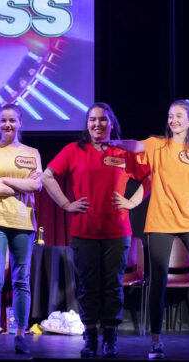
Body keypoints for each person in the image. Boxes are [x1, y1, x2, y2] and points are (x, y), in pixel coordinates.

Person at [106, 99, 189, 360]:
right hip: (160, 222)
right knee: (158, 282)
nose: (173, 120)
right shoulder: (159, 146)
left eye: (179, 116)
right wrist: (117, 143)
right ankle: (156, 342)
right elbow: (137, 145)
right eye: (170, 115)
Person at [41, 102, 149, 358]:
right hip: (84, 230)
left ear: (112, 124)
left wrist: (133, 201)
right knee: (88, 286)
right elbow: (46, 176)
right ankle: (90, 339)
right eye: (92, 120)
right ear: (87, 124)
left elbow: (150, 176)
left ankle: (110, 338)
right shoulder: (74, 150)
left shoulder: (122, 152)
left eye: (103, 120)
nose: (97, 124)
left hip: (117, 231)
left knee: (113, 286)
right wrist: (66, 203)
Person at [0, 104, 42, 355]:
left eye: (12, 120)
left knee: (21, 281)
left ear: (21, 122)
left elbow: (37, 187)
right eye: (3, 120)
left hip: (24, 222)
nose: (7, 125)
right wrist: (22, 184)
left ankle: (21, 334)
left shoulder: (32, 152)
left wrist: (4, 179)